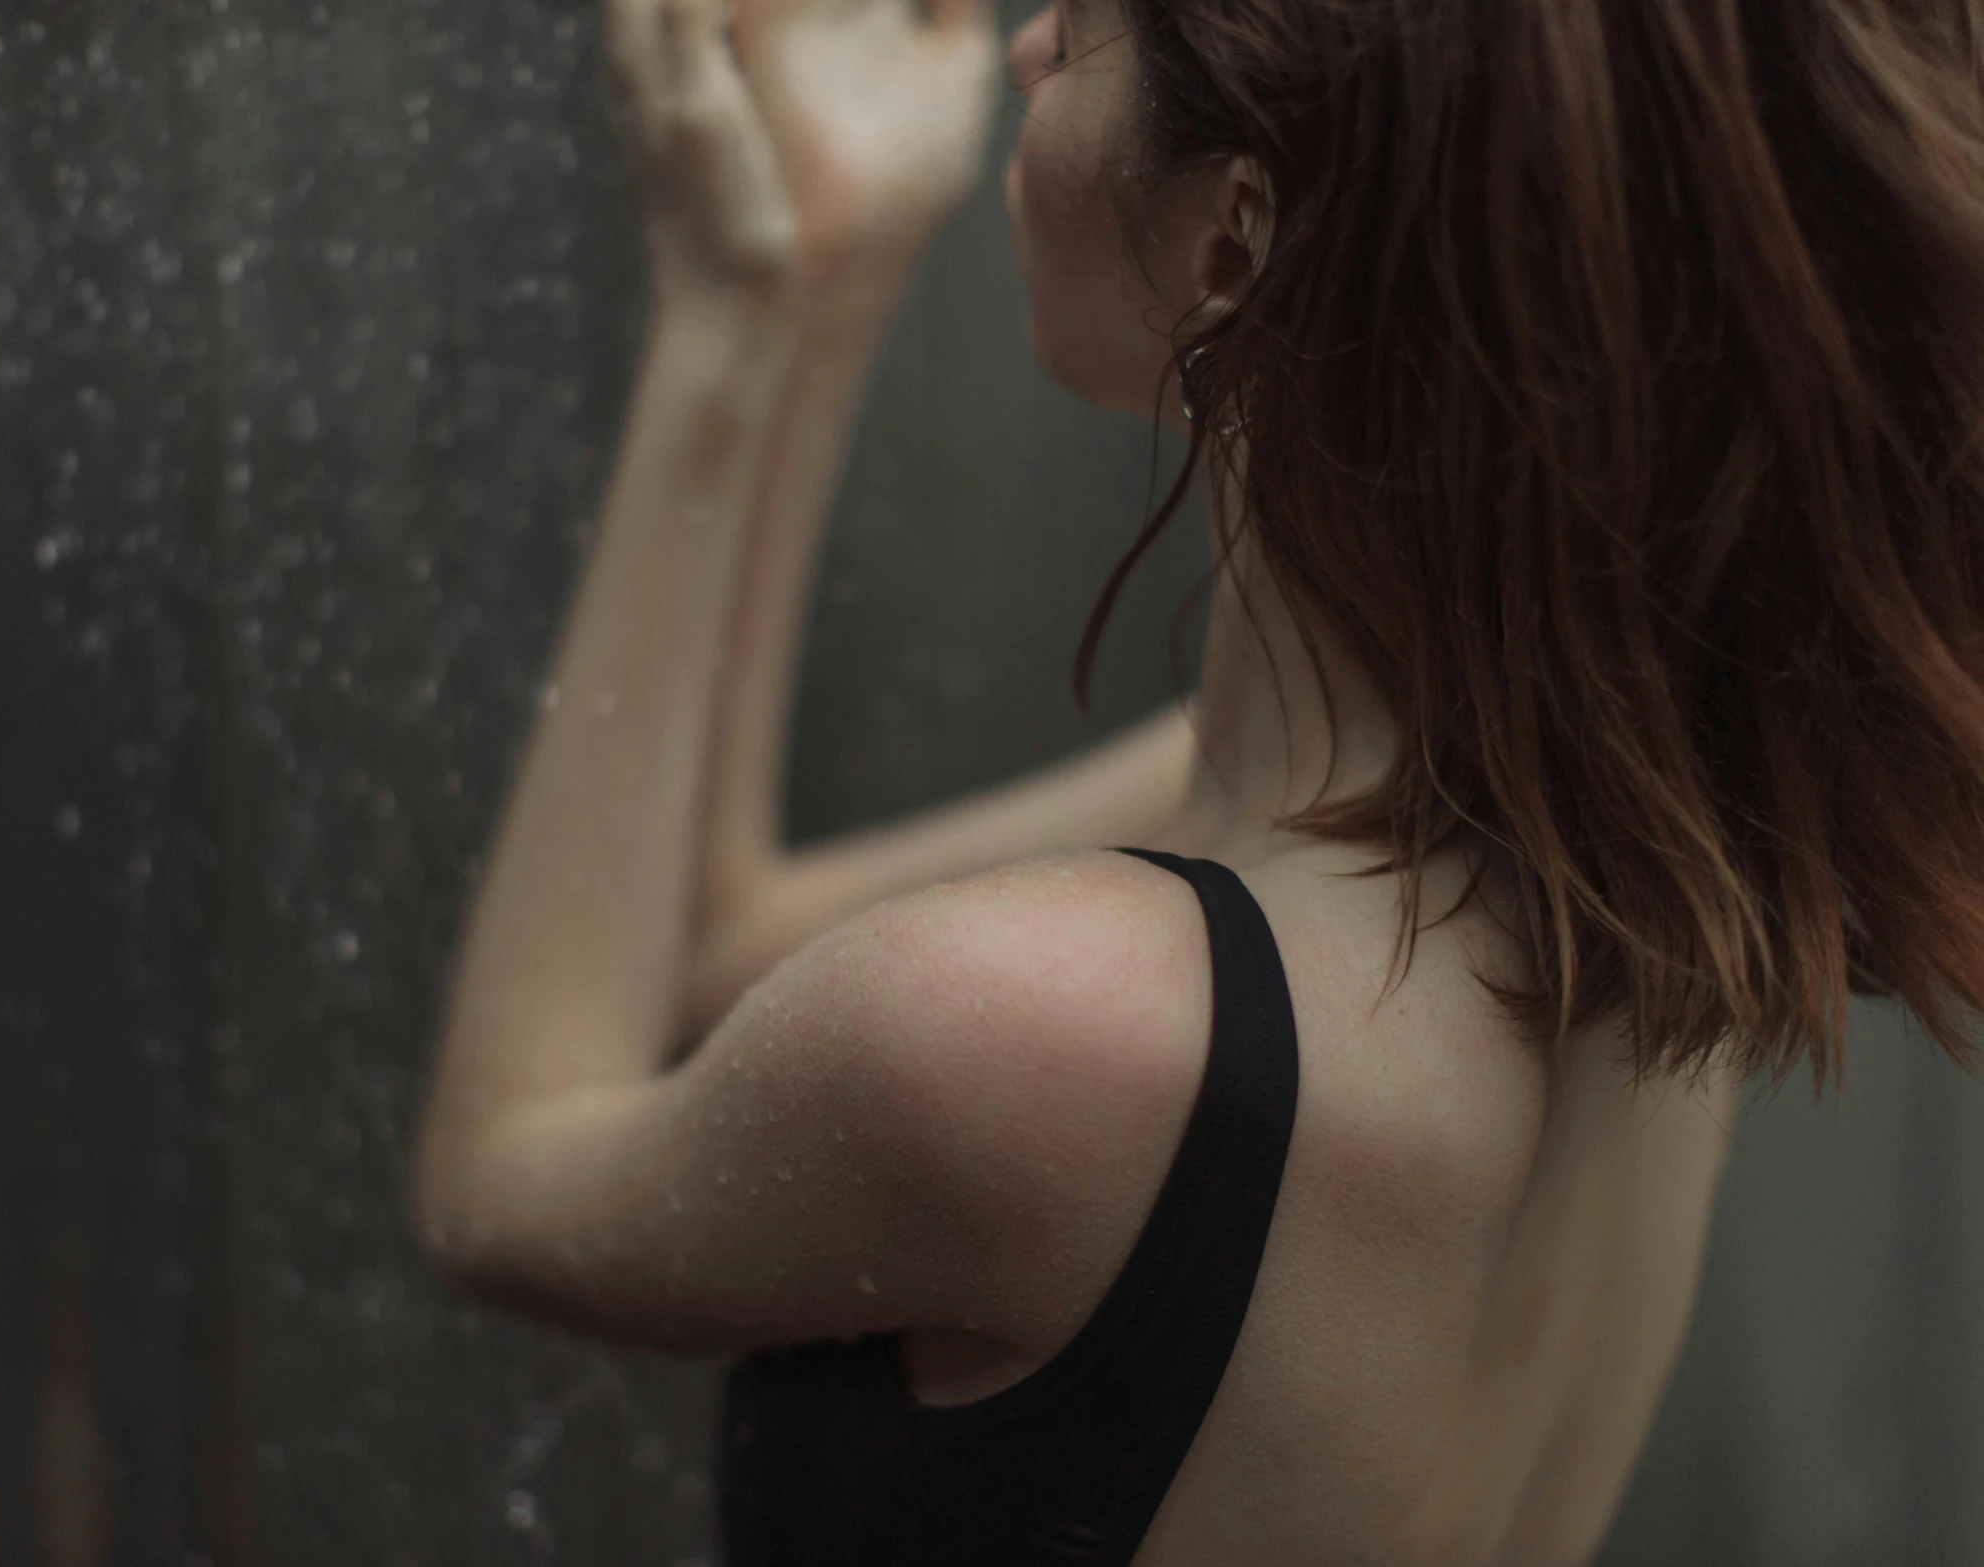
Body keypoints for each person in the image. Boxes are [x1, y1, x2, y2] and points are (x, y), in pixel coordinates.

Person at [412, 0, 1984, 1559]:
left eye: (1083, 29)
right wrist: (823, 267)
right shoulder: (1604, 879)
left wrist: (718, 310)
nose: (1024, 50)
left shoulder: (1074, 1031)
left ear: (1235, 243)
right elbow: (703, 949)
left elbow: (503, 1169)